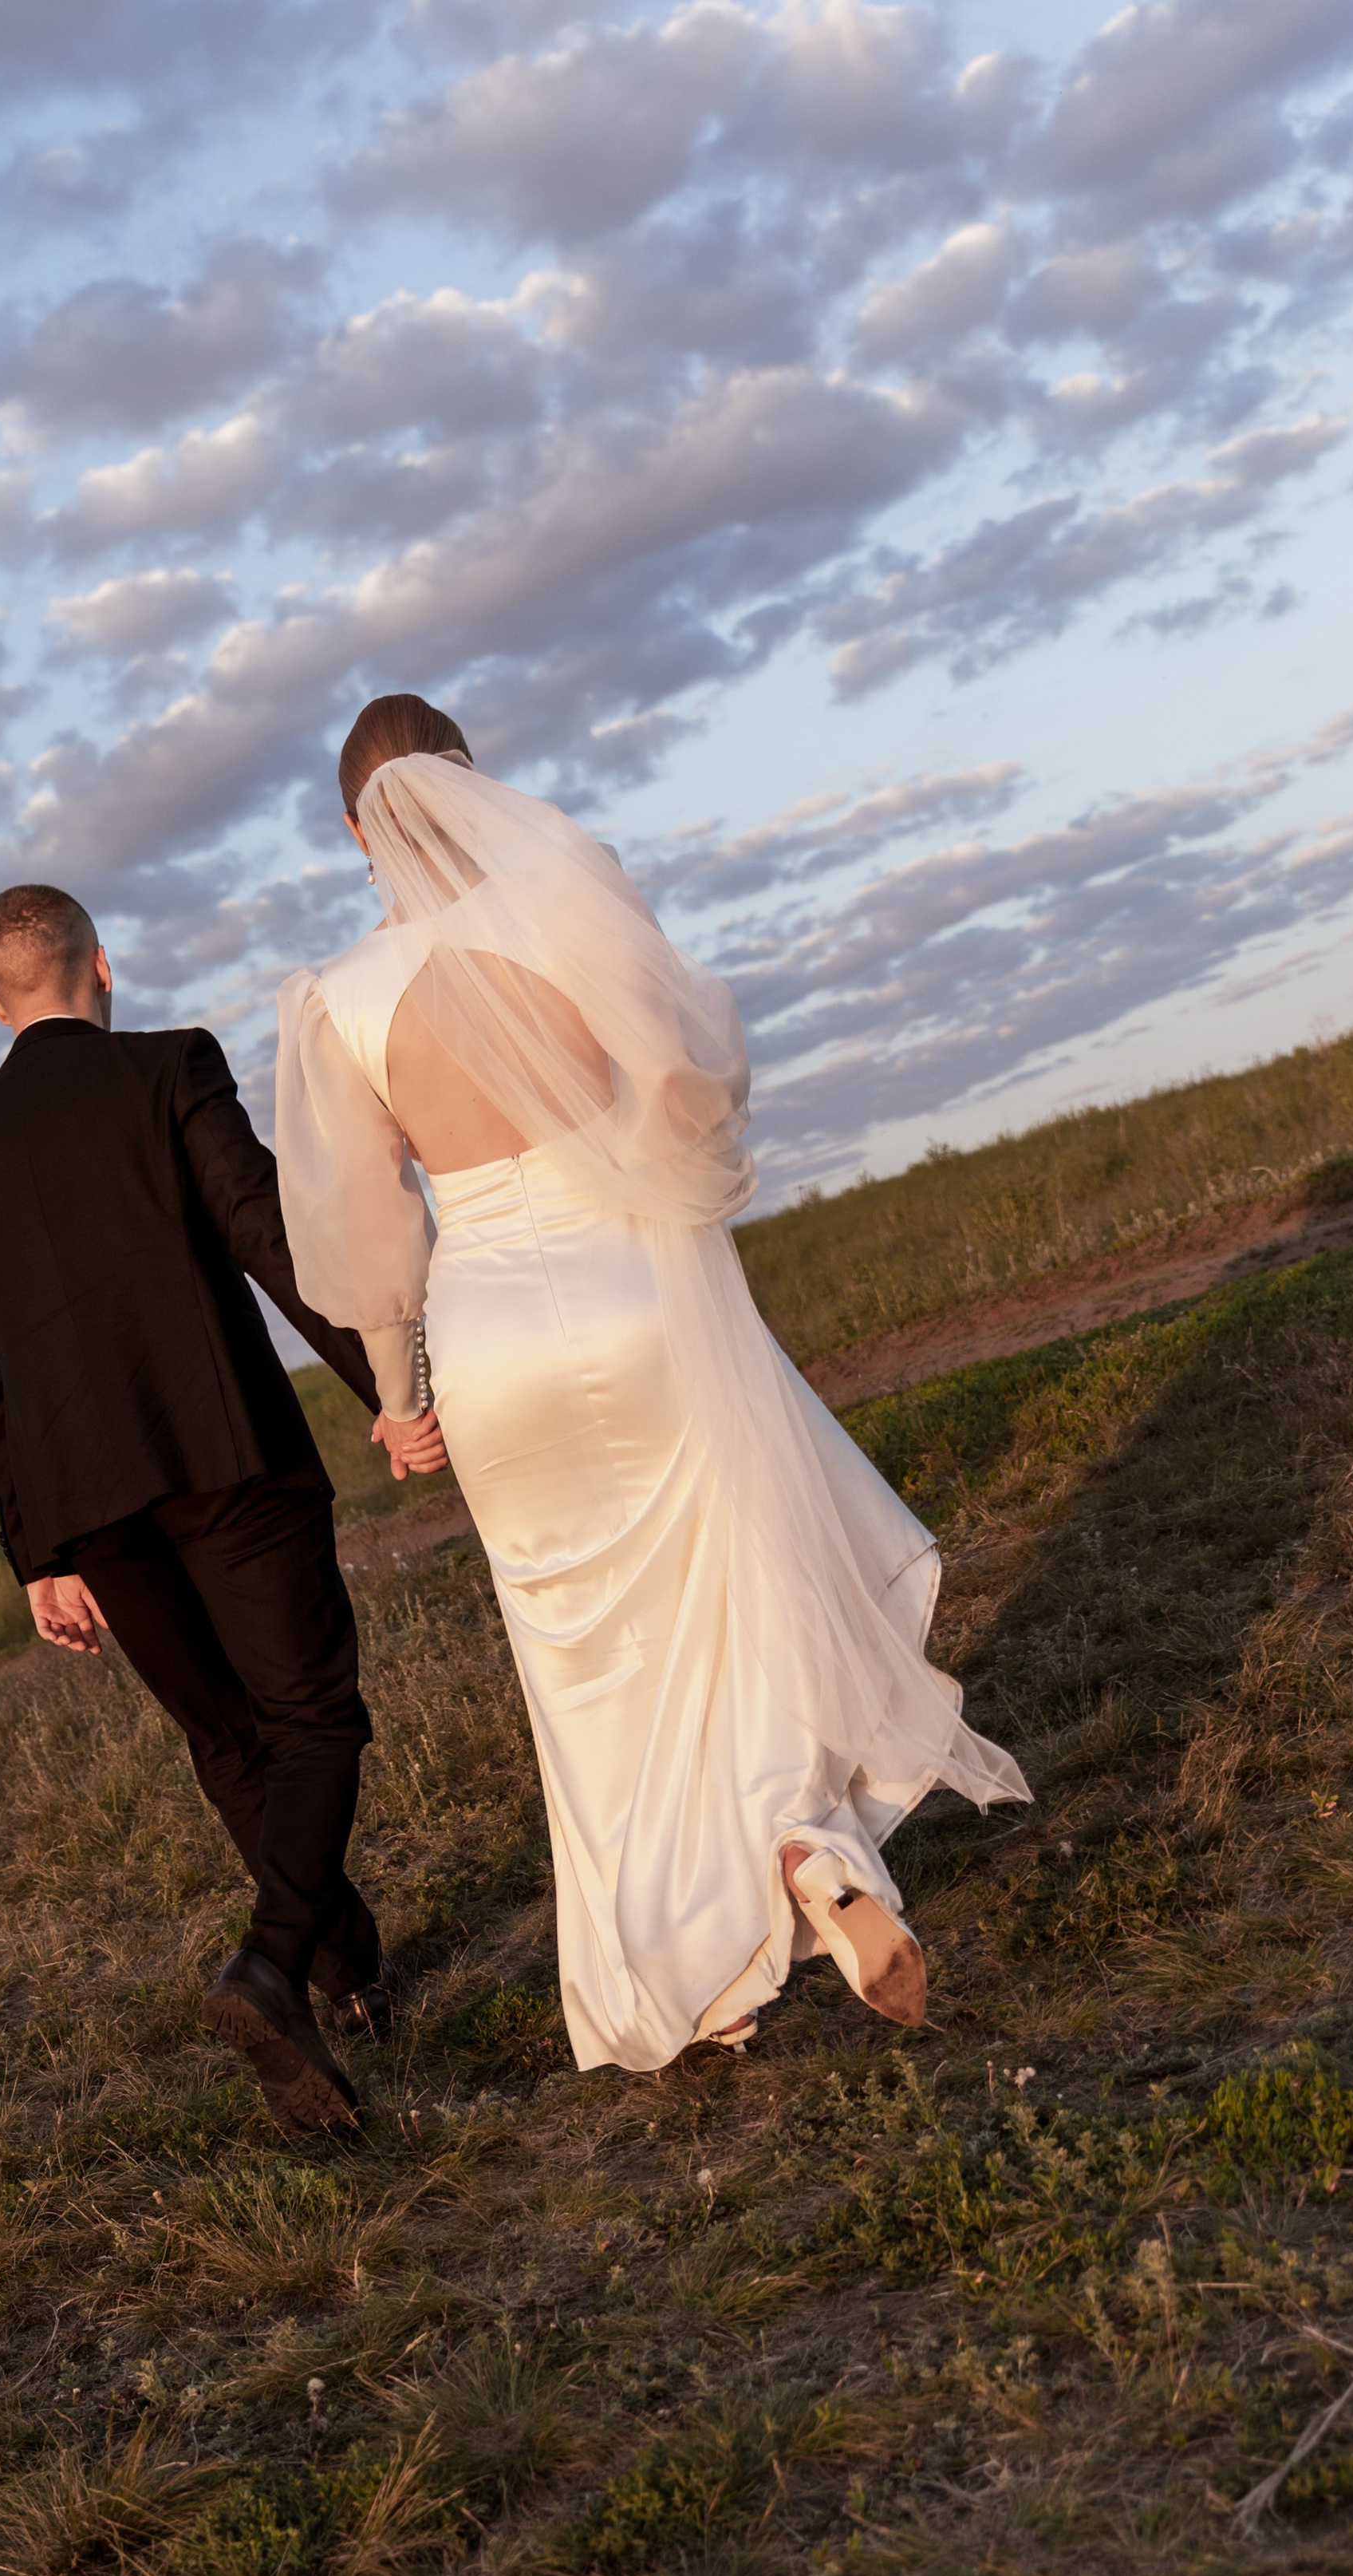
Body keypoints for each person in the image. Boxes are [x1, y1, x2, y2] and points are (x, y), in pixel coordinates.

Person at [274, 696, 1029, 2080]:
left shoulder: (340, 999)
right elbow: (685, 1068)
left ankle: (697, 1983)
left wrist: (398, 1395)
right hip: (637, 1288)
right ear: (472, 784)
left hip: (490, 1336)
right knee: (732, 1593)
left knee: (585, 1664)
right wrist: (647, 1175)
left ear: (353, 830)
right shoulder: (569, 899)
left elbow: (372, 1247)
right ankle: (803, 1843)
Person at [0, 882, 447, 2133]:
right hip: (227, 1457)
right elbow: (268, 1234)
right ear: (103, 967)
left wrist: (37, 1555)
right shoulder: (168, 1068)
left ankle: (348, 1971)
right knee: (314, 1714)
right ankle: (272, 1964)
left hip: (88, 1509)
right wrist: (387, 1387)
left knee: (227, 1738)